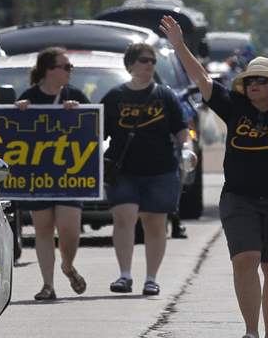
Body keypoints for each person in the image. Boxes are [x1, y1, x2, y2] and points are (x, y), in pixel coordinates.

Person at [162, 16, 268, 338]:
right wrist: (179, 45)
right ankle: (250, 333)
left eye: (262, 81)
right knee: (245, 259)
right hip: (239, 199)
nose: (255, 85)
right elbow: (201, 79)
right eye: (250, 81)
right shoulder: (235, 108)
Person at [101, 42, 192, 297]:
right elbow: (96, 129)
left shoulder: (165, 95)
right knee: (124, 218)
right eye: (144, 60)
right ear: (130, 65)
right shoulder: (115, 97)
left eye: (152, 61)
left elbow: (181, 129)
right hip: (123, 170)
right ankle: (125, 275)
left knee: (155, 224)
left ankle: (151, 279)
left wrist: (185, 149)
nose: (149, 65)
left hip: (161, 170)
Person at [15, 47, 88, 301]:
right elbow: (16, 132)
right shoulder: (30, 96)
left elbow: (93, 131)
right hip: (39, 175)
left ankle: (68, 266)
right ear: (49, 70)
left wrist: (78, 112)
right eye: (65, 67)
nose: (70, 72)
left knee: (69, 231)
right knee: (43, 229)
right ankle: (48, 285)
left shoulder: (75, 95)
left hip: (70, 175)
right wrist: (20, 111)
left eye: (70, 67)